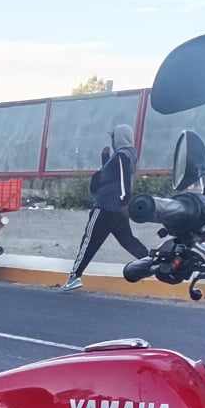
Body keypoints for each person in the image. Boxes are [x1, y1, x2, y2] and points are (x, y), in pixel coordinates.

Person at [60, 122, 148, 291]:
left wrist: (123, 198)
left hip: (106, 207)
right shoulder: (127, 154)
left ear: (119, 137)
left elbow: (122, 181)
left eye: (114, 137)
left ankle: (74, 277)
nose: (113, 140)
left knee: (88, 241)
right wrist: (106, 160)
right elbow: (114, 176)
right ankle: (152, 263)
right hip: (117, 209)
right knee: (128, 241)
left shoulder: (122, 155)